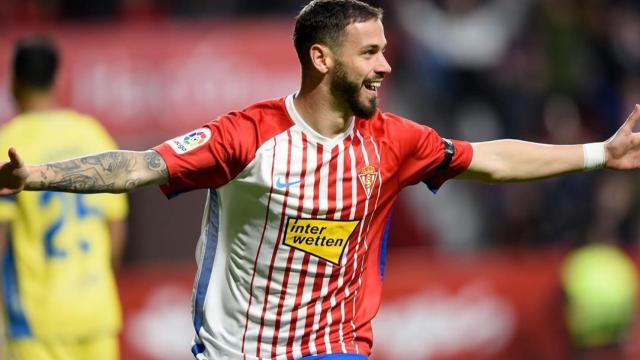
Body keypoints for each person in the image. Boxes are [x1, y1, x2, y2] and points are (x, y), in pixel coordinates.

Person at [0, 1, 639, 359]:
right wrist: (34, 176)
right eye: (370, 52)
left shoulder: (395, 142)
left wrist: (596, 154)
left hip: (333, 350)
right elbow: (138, 166)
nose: (386, 65)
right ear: (320, 57)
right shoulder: (246, 137)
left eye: (386, 50)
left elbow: (492, 159)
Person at [0, 36, 128, 360]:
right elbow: (115, 229)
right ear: (59, 78)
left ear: (12, 81)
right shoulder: (92, 134)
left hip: (36, 319)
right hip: (95, 311)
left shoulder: (8, 143)